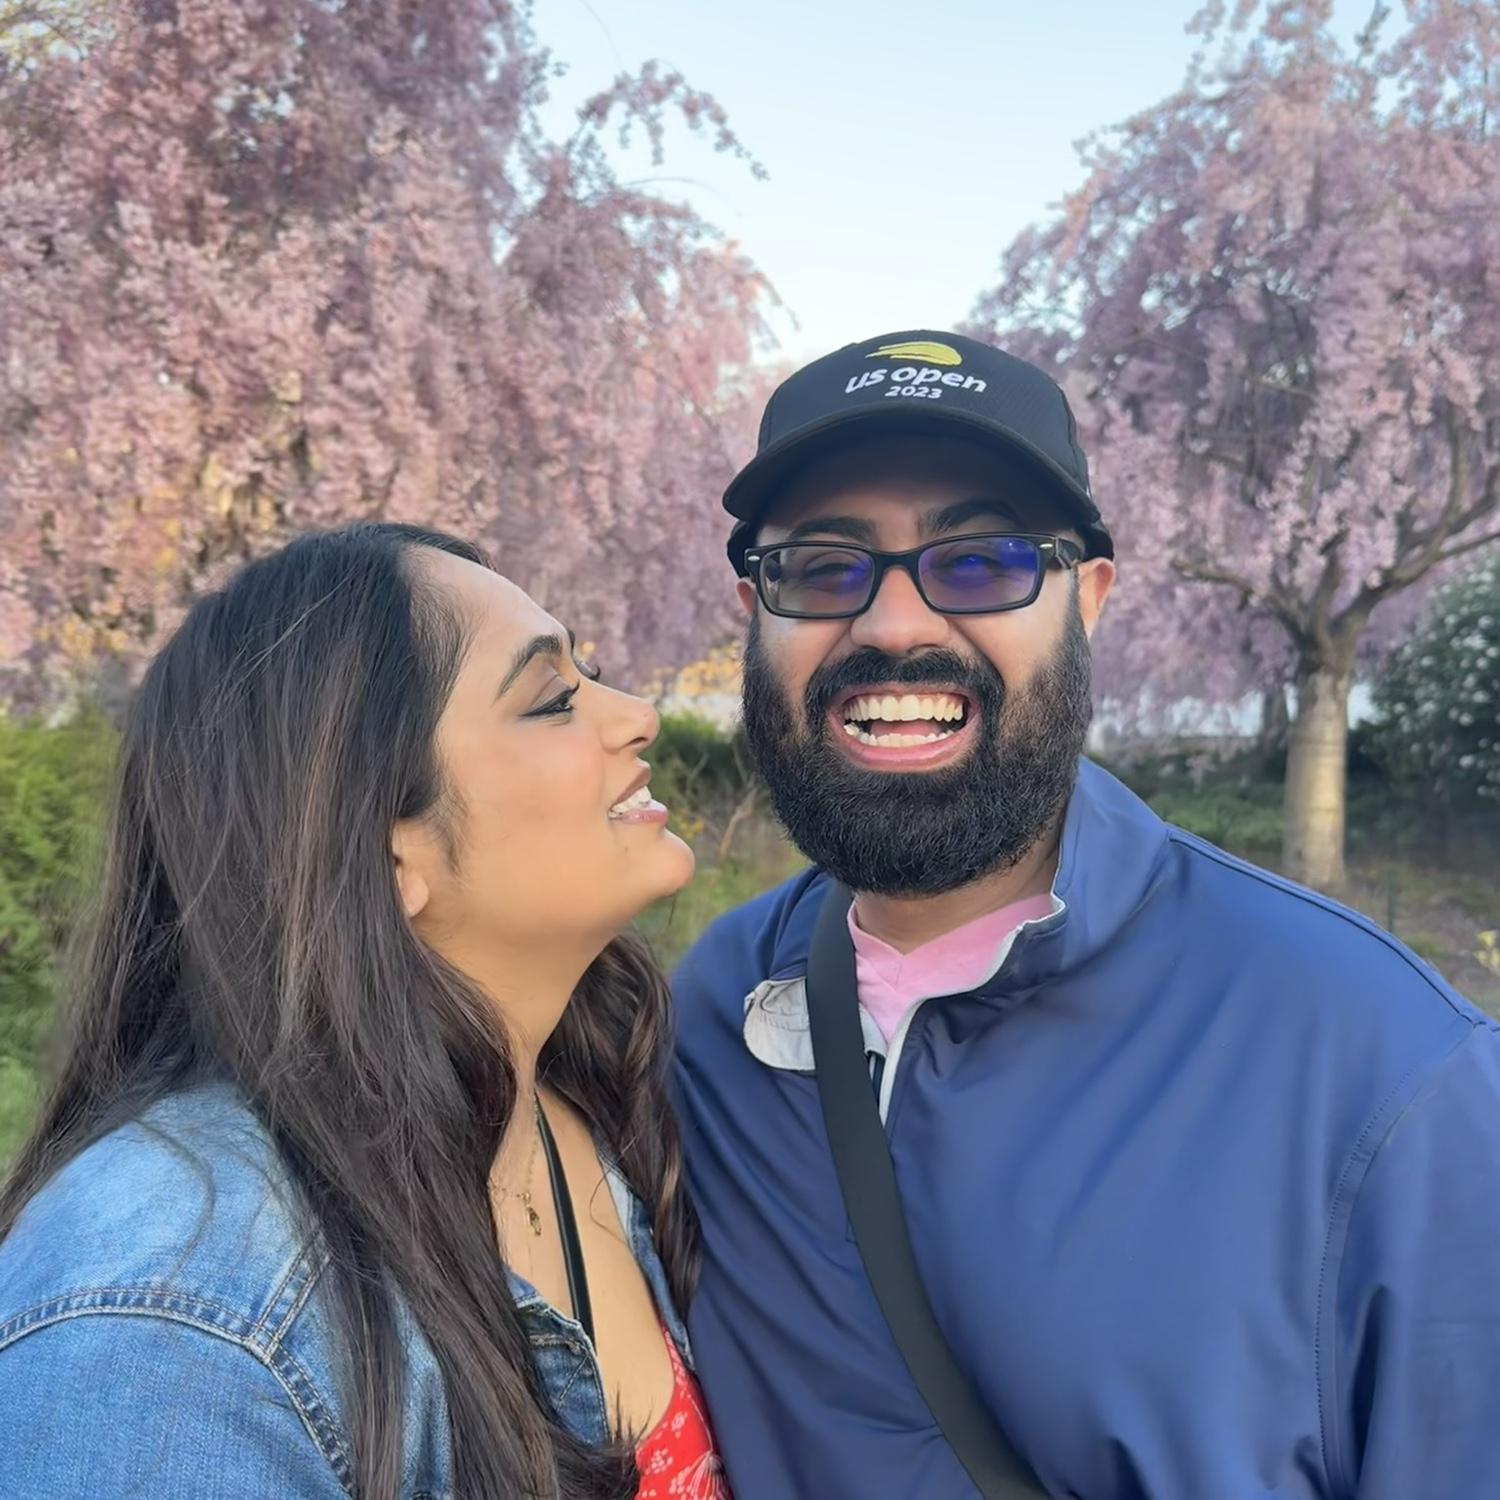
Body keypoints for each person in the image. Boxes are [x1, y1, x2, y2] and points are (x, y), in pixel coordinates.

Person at [672, 330, 1500, 1499]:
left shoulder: (1383, 1065)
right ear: (754, 611)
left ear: (1090, 599)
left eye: (980, 562)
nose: (894, 627)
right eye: (821, 566)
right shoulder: (710, 1009)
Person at [0, 523, 731, 1500]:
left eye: (588, 674)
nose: (637, 715)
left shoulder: (591, 1095)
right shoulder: (169, 1312)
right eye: (552, 698)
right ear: (385, 854)